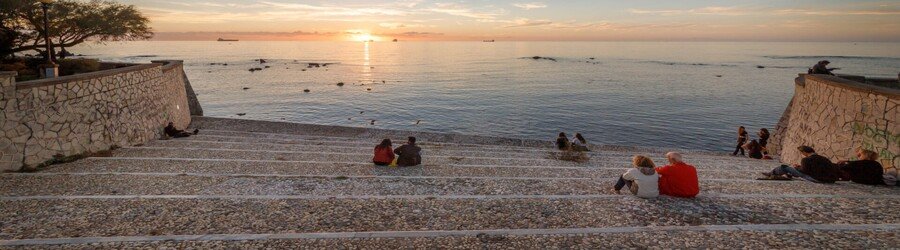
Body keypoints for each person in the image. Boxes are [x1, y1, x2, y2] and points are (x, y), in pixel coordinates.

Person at [762, 146, 840, 183]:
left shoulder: (806, 159)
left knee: (784, 167)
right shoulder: (824, 158)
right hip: (829, 179)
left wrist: (797, 168)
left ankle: (771, 173)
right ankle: (785, 174)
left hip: (816, 178)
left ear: (804, 152)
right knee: (793, 169)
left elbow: (804, 171)